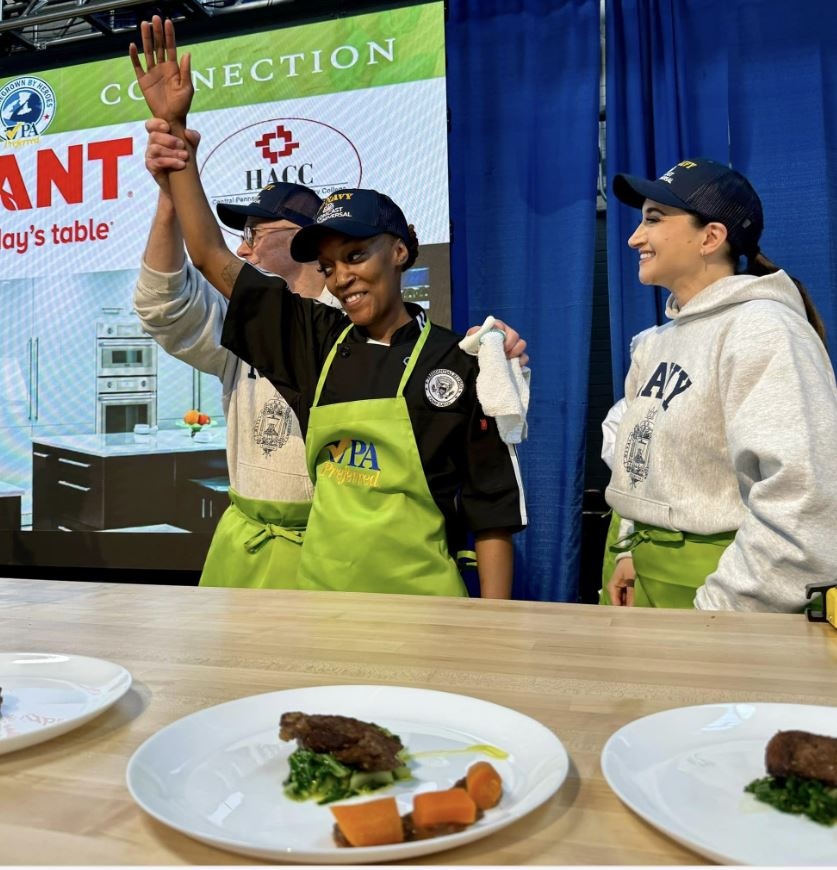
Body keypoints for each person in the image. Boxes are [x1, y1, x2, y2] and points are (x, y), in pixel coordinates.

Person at [129, 21, 526, 595]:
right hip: (320, 593)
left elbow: (490, 508)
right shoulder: (310, 339)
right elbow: (210, 255)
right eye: (332, 262)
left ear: (400, 250)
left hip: (423, 602)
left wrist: (497, 630)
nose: (343, 276)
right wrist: (176, 137)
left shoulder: (456, 361)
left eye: (357, 254)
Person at [604, 157, 837, 611]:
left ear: (711, 237)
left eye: (653, 219)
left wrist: (720, 609)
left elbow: (807, 504)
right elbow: (648, 464)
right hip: (652, 585)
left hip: (722, 592)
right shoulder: (654, 344)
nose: (635, 237)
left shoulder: (765, 330)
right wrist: (634, 549)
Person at [133, 123, 339, 588]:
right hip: (245, 547)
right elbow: (161, 306)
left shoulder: (350, 327)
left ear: (303, 238)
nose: (243, 248)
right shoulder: (244, 324)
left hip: (330, 548)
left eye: (255, 232)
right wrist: (169, 198)